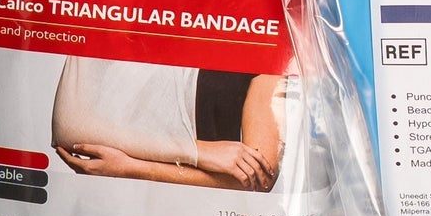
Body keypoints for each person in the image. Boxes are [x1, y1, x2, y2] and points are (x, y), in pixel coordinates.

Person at [51, 58, 287, 192]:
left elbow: (260, 177)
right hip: (119, 213)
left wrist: (133, 169)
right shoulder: (122, 2)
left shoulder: (260, 34)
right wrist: (198, 152)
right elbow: (70, 126)